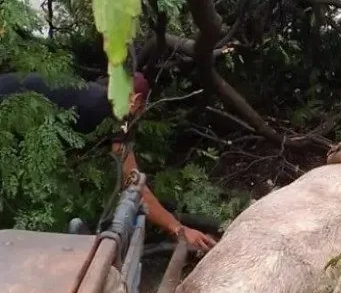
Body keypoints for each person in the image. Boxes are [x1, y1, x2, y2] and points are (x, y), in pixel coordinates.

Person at [0, 71, 217, 251]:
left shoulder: (90, 96)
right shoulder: (118, 114)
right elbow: (133, 185)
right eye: (142, 109)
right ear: (136, 101)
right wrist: (179, 230)